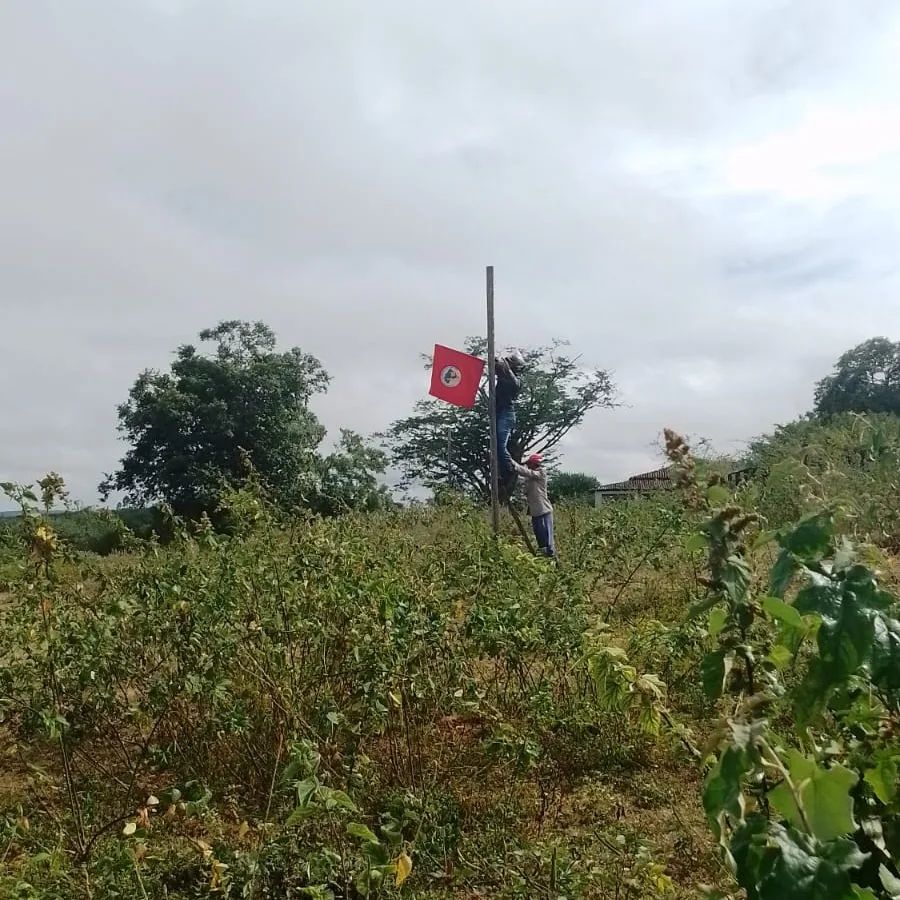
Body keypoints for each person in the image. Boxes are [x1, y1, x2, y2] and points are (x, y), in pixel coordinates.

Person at [510, 453, 555, 558]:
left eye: (530, 464)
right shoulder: (529, 478)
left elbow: (526, 472)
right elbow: (522, 478)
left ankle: (552, 561)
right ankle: (544, 559)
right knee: (540, 538)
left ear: (535, 464)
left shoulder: (541, 473)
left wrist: (513, 463)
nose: (528, 466)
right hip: (535, 512)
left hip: (544, 511)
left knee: (547, 540)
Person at [495, 350, 525, 492]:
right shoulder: (505, 374)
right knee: (496, 447)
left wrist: (498, 360)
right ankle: (502, 474)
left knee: (500, 446)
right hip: (500, 413)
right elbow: (498, 366)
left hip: (506, 414)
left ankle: (511, 471)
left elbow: (501, 366)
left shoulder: (514, 381)